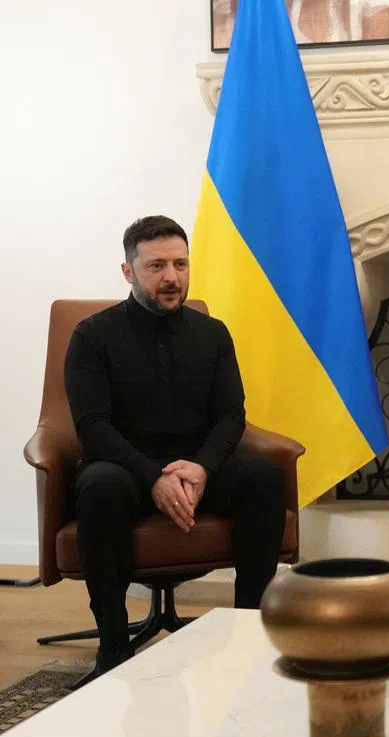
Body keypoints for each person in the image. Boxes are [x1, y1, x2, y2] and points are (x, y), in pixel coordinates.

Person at [63, 216, 286, 676]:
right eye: (157, 265)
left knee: (263, 477)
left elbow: (231, 415)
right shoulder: (91, 336)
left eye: (181, 264)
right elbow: (92, 426)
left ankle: (249, 634)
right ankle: (113, 647)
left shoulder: (213, 333)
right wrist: (154, 478)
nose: (171, 277)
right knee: (99, 485)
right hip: (125, 468)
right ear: (128, 272)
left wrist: (202, 468)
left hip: (197, 466)